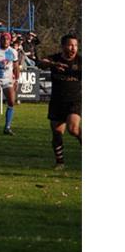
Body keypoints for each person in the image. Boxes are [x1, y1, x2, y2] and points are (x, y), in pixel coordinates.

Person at [37, 34, 81, 170]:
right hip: (57, 101)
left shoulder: (81, 61)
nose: (73, 48)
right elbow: (41, 63)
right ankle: (60, 162)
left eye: (75, 45)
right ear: (63, 46)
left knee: (73, 129)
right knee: (57, 133)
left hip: (75, 101)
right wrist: (52, 64)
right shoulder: (55, 59)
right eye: (70, 45)